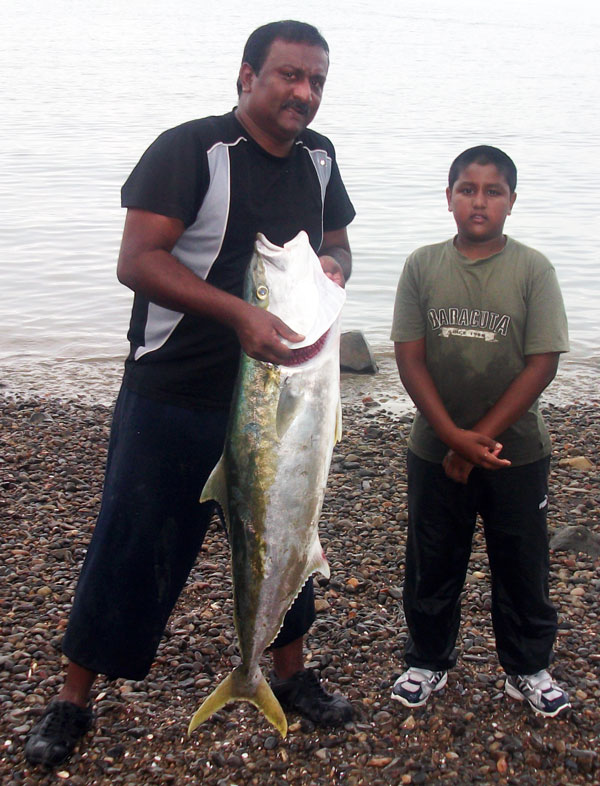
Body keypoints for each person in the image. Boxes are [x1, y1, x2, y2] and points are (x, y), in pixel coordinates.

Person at [25, 20, 355, 768]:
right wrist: (239, 312)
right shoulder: (193, 149)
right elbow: (138, 260)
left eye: (316, 81)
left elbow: (337, 243)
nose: (303, 93)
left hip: (286, 391)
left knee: (288, 530)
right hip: (175, 390)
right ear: (247, 76)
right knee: (131, 542)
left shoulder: (322, 158)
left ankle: (290, 675)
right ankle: (73, 699)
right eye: (288, 76)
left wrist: (335, 268)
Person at [389, 145, 571, 718]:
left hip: (515, 453)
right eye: (467, 189)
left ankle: (526, 667)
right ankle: (427, 660)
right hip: (432, 450)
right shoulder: (422, 265)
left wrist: (477, 442)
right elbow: (409, 358)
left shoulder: (533, 269)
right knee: (433, 559)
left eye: (493, 191)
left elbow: (542, 362)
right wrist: (449, 438)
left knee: (522, 563)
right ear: (448, 198)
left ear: (511, 202)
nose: (479, 201)